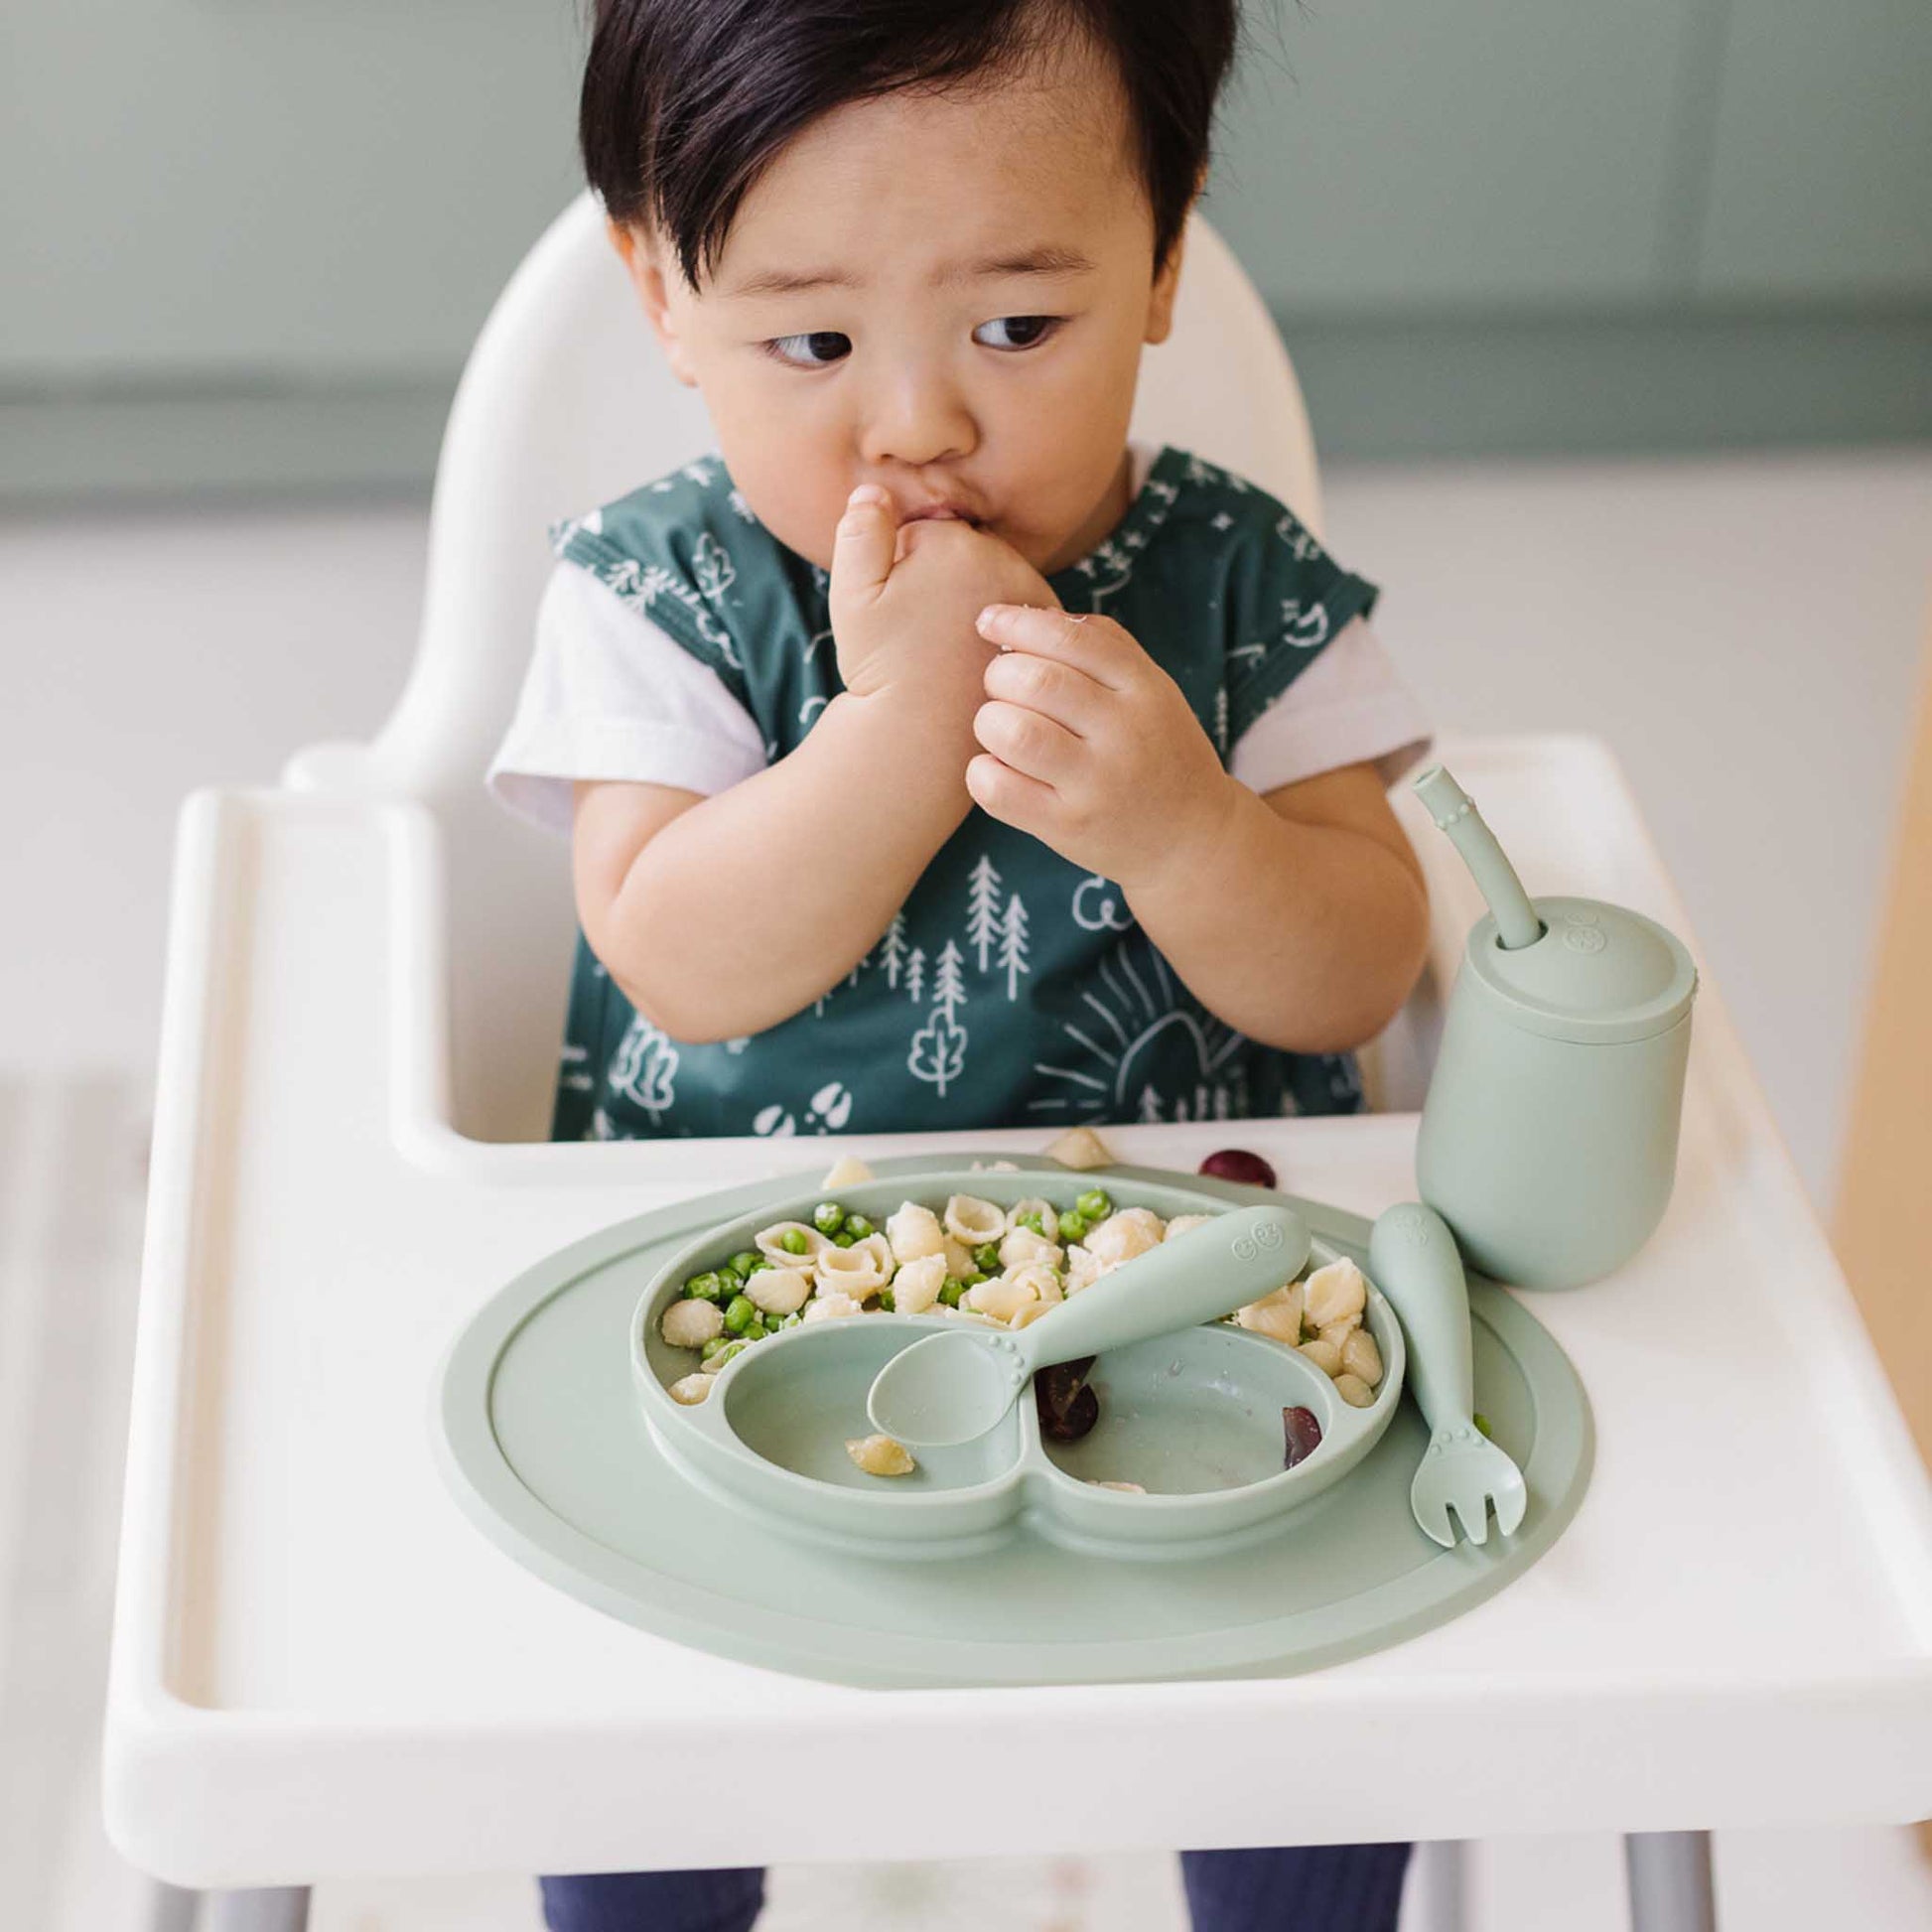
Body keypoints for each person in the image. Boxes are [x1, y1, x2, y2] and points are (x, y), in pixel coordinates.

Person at [489, 1, 1434, 1925]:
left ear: (1163, 260)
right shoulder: (659, 593)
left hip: (1205, 1312)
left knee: (1324, 1691)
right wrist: (893, 727)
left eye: (1016, 327)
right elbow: (675, 954)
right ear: (661, 294)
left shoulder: (1242, 590)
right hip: (734, 1304)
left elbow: (1359, 969)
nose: (914, 419)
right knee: (634, 1706)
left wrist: (1187, 828)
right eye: (812, 341)